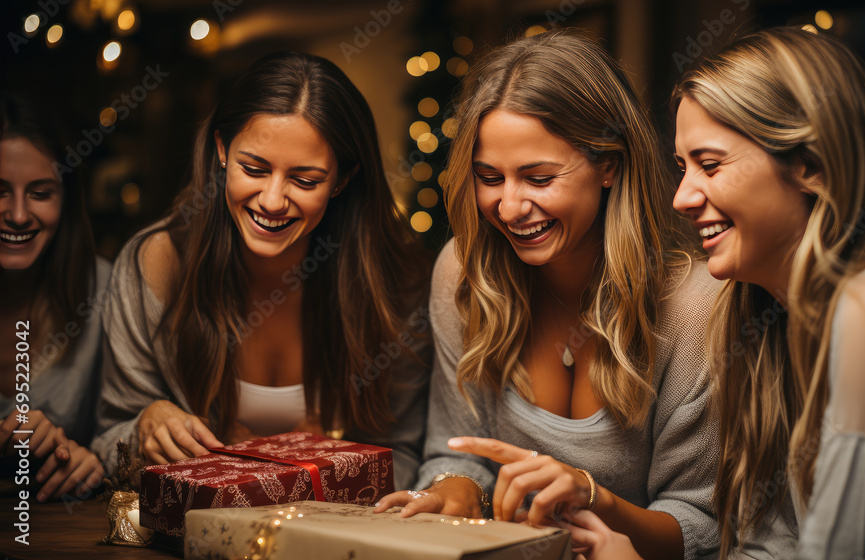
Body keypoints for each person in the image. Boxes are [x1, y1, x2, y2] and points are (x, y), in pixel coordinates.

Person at [571, 26, 865, 559]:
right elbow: (772, 550)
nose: (681, 197)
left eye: (710, 164)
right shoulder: (763, 321)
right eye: (683, 168)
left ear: (811, 168)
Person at [374, 29, 723, 560]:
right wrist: (455, 486)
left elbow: (701, 526)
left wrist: (592, 497)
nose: (509, 208)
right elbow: (456, 449)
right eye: (490, 177)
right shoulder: (464, 275)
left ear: (609, 164)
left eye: (538, 178)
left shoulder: (694, 308)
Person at [91, 52, 431, 490]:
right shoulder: (157, 263)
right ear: (221, 150)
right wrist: (144, 428)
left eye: (305, 180)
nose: (272, 201)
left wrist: (319, 472)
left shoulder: (393, 282)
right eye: (254, 169)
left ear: (342, 180)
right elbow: (104, 443)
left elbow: (404, 453)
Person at [0, 91, 108, 502]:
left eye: (41, 193)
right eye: (0, 190)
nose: (19, 214)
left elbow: (129, 428)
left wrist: (87, 458)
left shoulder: (105, 292)